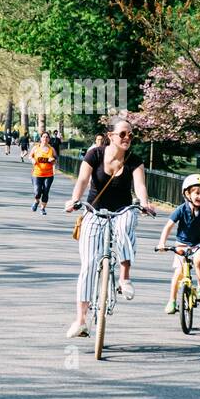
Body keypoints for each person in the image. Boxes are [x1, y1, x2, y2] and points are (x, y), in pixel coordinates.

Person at [63, 120, 156, 338]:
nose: (127, 138)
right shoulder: (94, 155)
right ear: (111, 135)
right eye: (123, 134)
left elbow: (140, 186)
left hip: (122, 209)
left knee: (125, 226)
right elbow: (83, 180)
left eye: (131, 135)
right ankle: (81, 321)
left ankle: (124, 279)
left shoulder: (134, 160)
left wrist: (144, 202)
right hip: (94, 211)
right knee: (87, 265)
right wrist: (74, 200)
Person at [156, 174, 200, 314]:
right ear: (187, 193)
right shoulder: (181, 209)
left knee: (199, 260)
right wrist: (162, 243)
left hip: (198, 243)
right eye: (197, 193)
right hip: (181, 244)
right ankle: (172, 301)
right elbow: (168, 227)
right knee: (178, 272)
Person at [29, 130, 56, 215]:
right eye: (43, 137)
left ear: (49, 139)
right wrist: (33, 160)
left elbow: (55, 160)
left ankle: (43, 208)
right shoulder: (36, 148)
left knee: (46, 191)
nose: (45, 138)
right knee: (37, 192)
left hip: (49, 174)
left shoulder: (52, 149)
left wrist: (53, 160)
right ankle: (36, 201)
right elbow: (30, 156)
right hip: (37, 174)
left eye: (47, 137)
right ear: (41, 138)